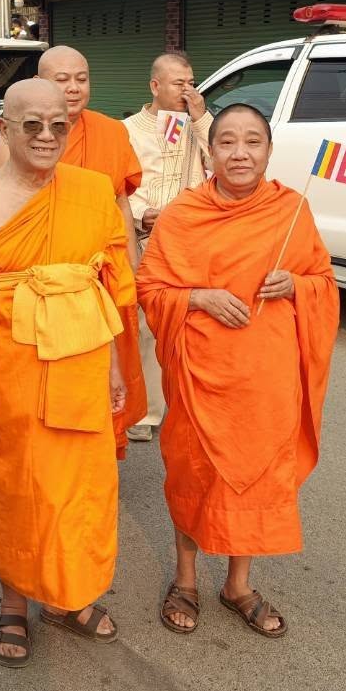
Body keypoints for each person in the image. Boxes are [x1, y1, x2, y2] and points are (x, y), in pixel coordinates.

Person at [0, 78, 134, 667]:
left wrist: (112, 366)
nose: (47, 135)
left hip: (80, 362)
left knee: (80, 488)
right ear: (6, 128)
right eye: (31, 125)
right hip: (9, 372)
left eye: (58, 124)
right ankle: (14, 602)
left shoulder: (91, 191)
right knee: (17, 488)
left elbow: (103, 285)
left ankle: (69, 595)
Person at [137, 104, 339, 639]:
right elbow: (149, 287)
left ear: (269, 152)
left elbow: (323, 282)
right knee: (192, 475)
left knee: (253, 479)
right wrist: (198, 297)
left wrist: (296, 286)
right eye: (227, 141)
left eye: (253, 141)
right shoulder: (184, 214)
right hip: (200, 375)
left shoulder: (291, 210)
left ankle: (238, 584)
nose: (240, 153)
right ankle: (185, 580)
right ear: (210, 153)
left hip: (266, 378)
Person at [0, 46, 147, 458]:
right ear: (40, 83)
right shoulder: (12, 144)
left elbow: (120, 201)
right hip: (43, 288)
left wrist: (130, 265)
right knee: (44, 391)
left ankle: (96, 455)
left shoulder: (111, 132)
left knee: (104, 380)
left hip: (100, 276)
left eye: (81, 78)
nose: (74, 87)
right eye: (62, 79)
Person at [122, 52, 214, 443]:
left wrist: (201, 118)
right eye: (179, 84)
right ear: (155, 86)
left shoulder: (198, 125)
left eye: (191, 82)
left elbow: (221, 162)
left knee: (194, 324)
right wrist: (141, 214)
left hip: (193, 238)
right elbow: (119, 187)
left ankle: (190, 403)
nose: (187, 90)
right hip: (147, 238)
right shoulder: (127, 130)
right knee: (147, 325)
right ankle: (146, 409)